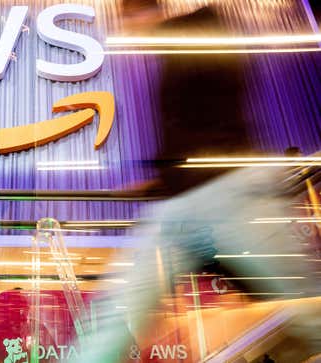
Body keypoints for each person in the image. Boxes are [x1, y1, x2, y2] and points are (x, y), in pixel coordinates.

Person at [71, 1, 317, 361]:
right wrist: (157, 183)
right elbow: (188, 134)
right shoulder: (170, 57)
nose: (128, 34)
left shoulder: (191, 33)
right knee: (118, 312)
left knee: (305, 303)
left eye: (127, 22)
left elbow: (217, 49)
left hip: (230, 192)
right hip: (183, 205)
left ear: (141, 13)